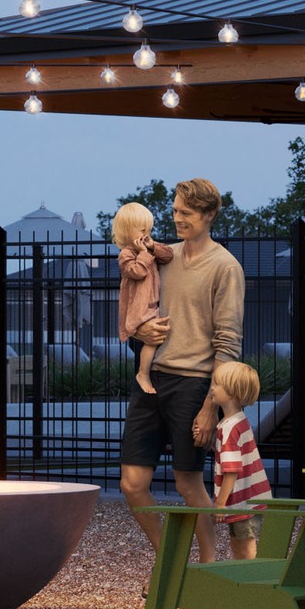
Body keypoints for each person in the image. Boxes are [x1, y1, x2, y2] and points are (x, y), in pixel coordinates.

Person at [119, 179, 243, 555]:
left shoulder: (225, 267)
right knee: (132, 483)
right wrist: (139, 329)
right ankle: (170, 560)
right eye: (174, 211)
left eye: (186, 213)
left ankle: (207, 566)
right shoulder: (161, 256)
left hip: (193, 386)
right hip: (151, 380)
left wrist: (210, 408)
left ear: (209, 215)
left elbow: (229, 344)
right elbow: (133, 306)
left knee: (189, 484)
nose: (176, 219)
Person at [195, 358, 270, 562]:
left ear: (232, 392)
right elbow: (234, 454)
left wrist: (220, 504)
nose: (213, 388)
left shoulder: (229, 428)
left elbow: (231, 470)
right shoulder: (237, 421)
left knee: (245, 548)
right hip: (251, 497)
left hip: (242, 501)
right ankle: (246, 583)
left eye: (217, 384)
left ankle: (252, 586)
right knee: (240, 544)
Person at [111, 202, 162, 397]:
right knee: (152, 338)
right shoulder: (126, 254)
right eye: (142, 230)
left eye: (149, 229)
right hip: (139, 307)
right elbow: (137, 272)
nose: (146, 234)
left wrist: (152, 246)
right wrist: (144, 254)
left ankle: (147, 371)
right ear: (127, 231)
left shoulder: (148, 249)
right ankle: (143, 373)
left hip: (151, 302)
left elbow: (168, 255)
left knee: (159, 334)